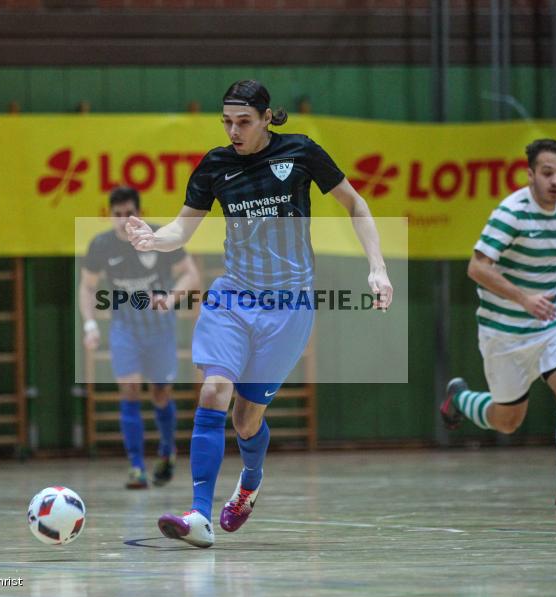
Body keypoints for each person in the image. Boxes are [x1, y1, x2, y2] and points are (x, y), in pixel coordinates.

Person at [125, 80, 393, 547]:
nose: (234, 131)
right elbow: (181, 230)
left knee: (246, 420)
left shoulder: (301, 152)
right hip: (234, 298)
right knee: (214, 390)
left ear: (267, 118)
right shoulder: (216, 165)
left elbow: (356, 203)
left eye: (244, 122)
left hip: (289, 307)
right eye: (227, 122)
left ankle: (249, 484)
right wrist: (153, 238)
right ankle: (199, 514)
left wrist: (378, 267)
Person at [440, 138, 556, 510]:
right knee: (507, 421)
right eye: (547, 173)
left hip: (551, 323)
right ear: (530, 175)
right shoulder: (511, 213)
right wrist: (524, 298)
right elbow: (477, 267)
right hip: (504, 331)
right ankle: (459, 398)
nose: (555, 181)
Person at [79, 186, 200, 489]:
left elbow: (191, 274)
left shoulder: (158, 237)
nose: (123, 220)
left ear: (139, 213)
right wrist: (90, 325)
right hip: (125, 329)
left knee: (160, 394)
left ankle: (167, 450)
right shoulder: (101, 246)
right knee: (129, 391)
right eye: (117, 214)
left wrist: (170, 299)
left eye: (129, 213)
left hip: (160, 329)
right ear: (110, 215)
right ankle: (136, 466)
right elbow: (87, 287)